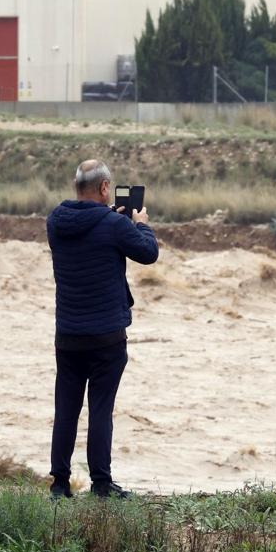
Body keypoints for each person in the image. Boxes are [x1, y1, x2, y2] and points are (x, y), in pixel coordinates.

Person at [46, 159, 158, 499]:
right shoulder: (115, 225)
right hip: (107, 336)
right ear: (105, 188)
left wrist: (115, 220)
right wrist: (139, 224)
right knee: (100, 410)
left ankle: (60, 484)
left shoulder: (55, 222)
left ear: (77, 185)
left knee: (66, 409)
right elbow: (148, 253)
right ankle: (101, 484)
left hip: (67, 334)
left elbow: (90, 231)